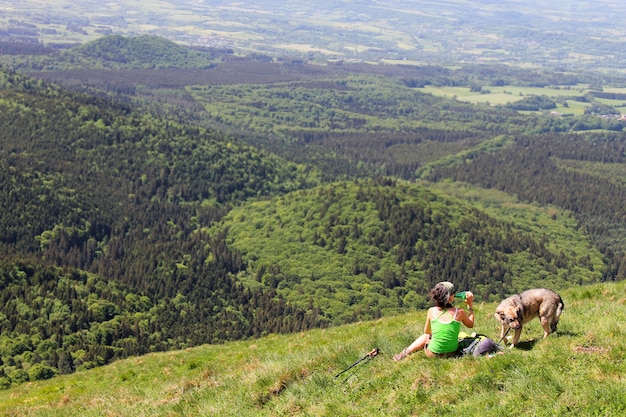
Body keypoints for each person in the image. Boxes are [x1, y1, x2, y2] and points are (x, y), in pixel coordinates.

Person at [393, 281, 474, 361]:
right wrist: (470, 306)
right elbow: (470, 325)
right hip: (452, 354)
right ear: (450, 297)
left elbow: (427, 331)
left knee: (426, 336)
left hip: (432, 354)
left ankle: (403, 354)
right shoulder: (460, 312)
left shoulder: (432, 311)